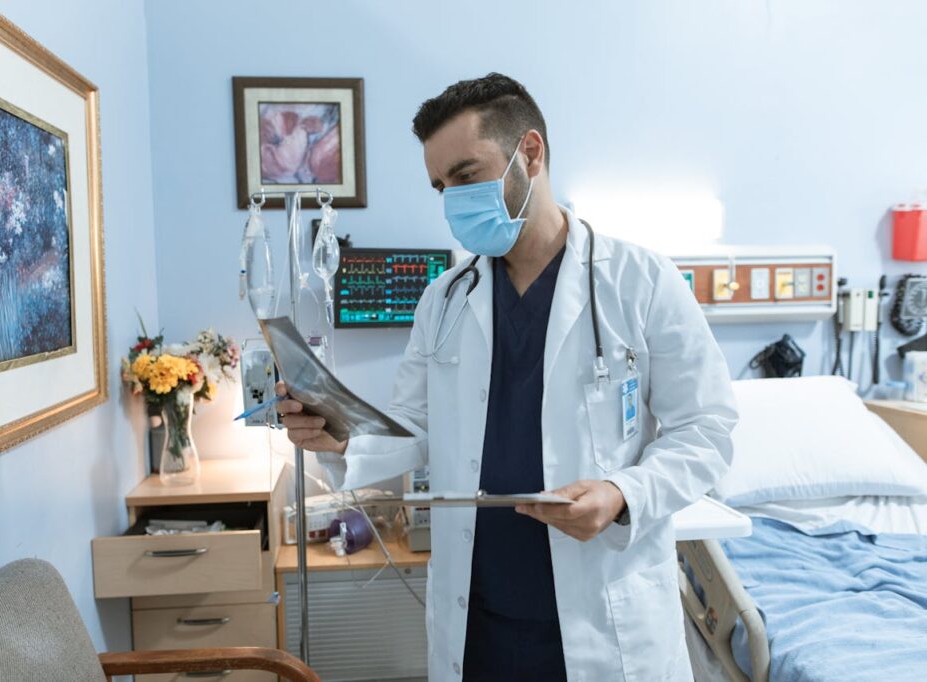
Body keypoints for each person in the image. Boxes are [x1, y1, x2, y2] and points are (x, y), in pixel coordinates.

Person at [276, 73, 738, 681]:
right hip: (480, 623)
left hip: (602, 619)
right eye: (441, 186)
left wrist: (625, 493)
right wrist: (341, 436)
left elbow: (707, 430)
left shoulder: (641, 284)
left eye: (466, 175)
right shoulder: (443, 300)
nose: (452, 199)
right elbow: (415, 424)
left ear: (531, 152)